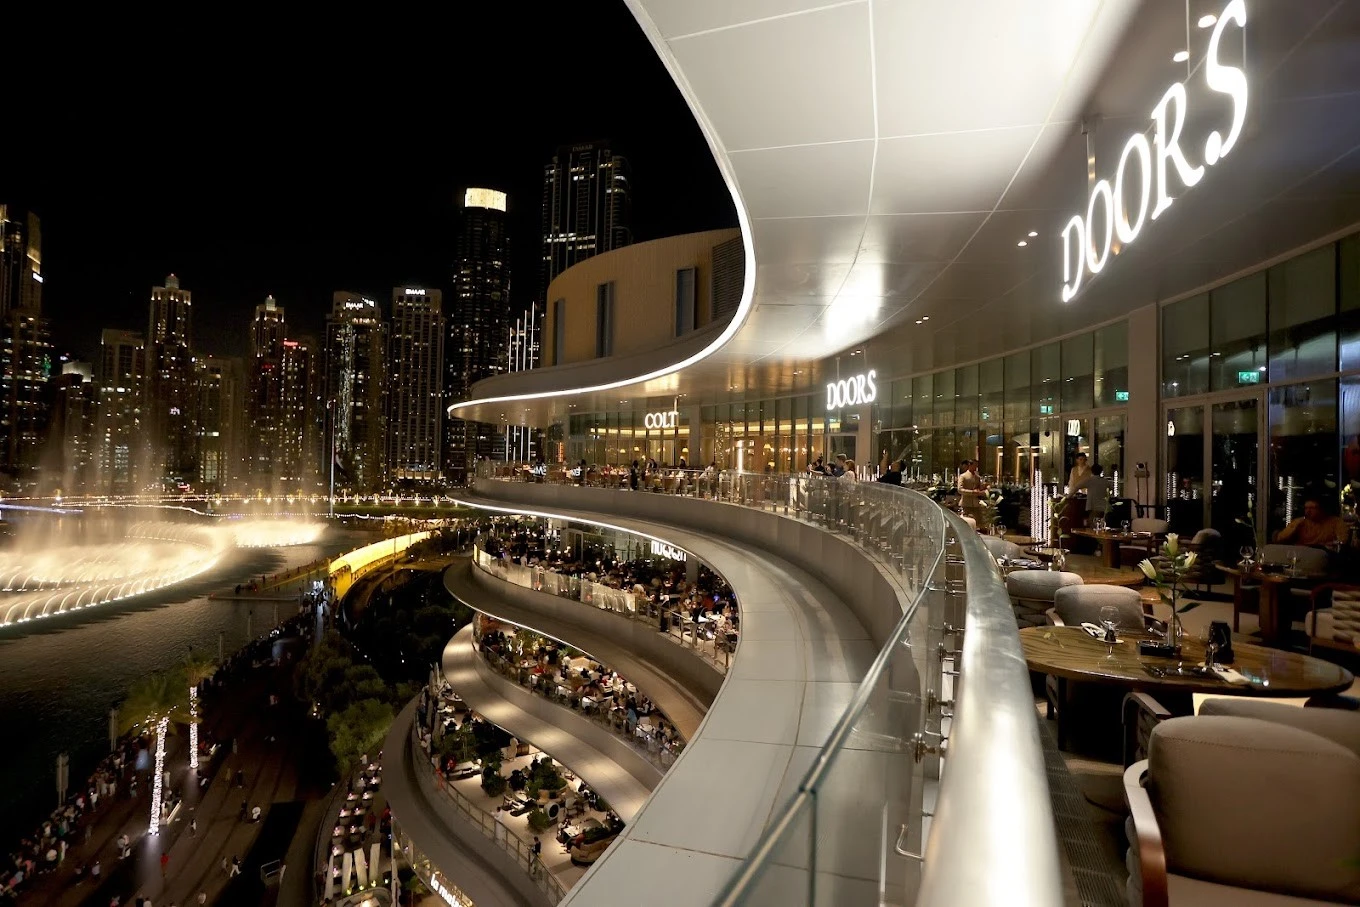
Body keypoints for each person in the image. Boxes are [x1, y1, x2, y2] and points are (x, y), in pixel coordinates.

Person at [1275, 497, 1348, 547]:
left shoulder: (1336, 522)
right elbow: (1280, 538)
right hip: (1302, 556)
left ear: (1321, 509)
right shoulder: (1299, 522)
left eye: (1312, 508)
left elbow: (1343, 540)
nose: (1308, 511)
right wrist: (1294, 527)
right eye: (1306, 508)